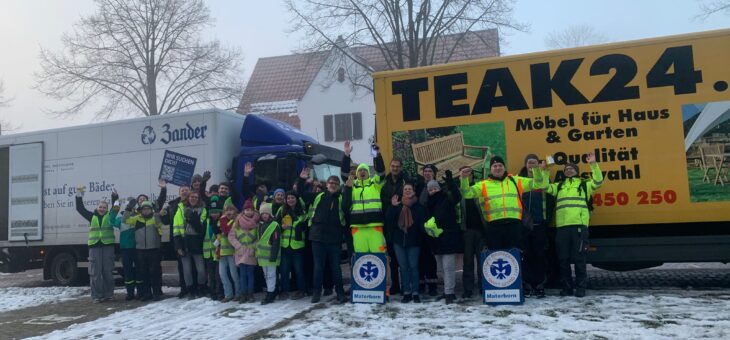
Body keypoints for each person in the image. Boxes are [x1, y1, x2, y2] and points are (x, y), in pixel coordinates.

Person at [541, 152, 603, 298]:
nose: (569, 170)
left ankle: (581, 288)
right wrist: (545, 170)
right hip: (562, 228)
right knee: (563, 260)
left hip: (579, 227)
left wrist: (593, 164)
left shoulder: (584, 184)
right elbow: (544, 187)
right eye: (566, 169)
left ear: (577, 171)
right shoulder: (559, 186)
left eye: (571, 168)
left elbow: (599, 181)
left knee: (579, 259)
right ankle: (567, 287)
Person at [459, 156, 546, 251]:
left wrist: (536, 169)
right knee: (497, 255)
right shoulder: (483, 184)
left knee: (515, 255)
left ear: (504, 167)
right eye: (494, 166)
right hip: (494, 226)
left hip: (514, 225)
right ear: (490, 169)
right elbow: (466, 194)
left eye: (500, 165)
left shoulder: (516, 180)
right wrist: (464, 179)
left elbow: (539, 184)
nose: (498, 168)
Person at [297, 169, 349, 304]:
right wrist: (301, 180)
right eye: (330, 182)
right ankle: (316, 293)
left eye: (335, 183)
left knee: (335, 267)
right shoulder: (318, 196)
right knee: (318, 267)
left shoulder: (342, 198)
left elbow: (347, 209)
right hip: (317, 237)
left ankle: (340, 293)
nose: (332, 185)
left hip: (334, 238)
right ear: (326, 185)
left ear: (339, 186)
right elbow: (301, 194)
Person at [424, 173, 463, 304]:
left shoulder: (447, 198)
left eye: (435, 188)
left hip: (449, 238)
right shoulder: (428, 204)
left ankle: (450, 293)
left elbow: (457, 196)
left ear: (439, 189)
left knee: (448, 267)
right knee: (441, 268)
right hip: (436, 240)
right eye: (430, 189)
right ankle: (446, 291)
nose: (433, 191)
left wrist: (451, 183)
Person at [75, 185, 118, 303]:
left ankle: (109, 294)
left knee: (108, 272)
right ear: (97, 207)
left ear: (107, 208)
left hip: (108, 247)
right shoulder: (91, 216)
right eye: (100, 207)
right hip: (94, 248)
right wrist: (79, 195)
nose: (102, 209)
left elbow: (115, 207)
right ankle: (97, 296)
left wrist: (114, 196)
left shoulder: (110, 216)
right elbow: (80, 208)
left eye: (104, 207)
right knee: (95, 273)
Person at [385, 183, 426, 303]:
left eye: (410, 189)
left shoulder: (418, 206)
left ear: (414, 191)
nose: (407, 191)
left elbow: (422, 224)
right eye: (405, 189)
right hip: (399, 241)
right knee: (403, 268)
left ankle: (415, 292)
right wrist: (392, 207)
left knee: (413, 267)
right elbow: (389, 220)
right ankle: (406, 291)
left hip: (414, 242)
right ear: (402, 191)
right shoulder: (397, 205)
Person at [519, 154, 550, 298]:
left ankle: (539, 284)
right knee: (525, 255)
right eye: (529, 162)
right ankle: (526, 284)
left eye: (534, 163)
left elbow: (550, 200)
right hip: (523, 225)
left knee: (539, 255)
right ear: (525, 165)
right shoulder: (518, 180)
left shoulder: (543, 178)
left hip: (539, 224)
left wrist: (547, 219)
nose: (531, 165)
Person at [124, 200, 165, 301]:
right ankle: (147, 293)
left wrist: (156, 212)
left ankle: (156, 293)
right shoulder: (137, 219)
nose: (146, 211)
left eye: (148, 209)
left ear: (151, 209)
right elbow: (125, 220)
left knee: (154, 272)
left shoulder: (154, 218)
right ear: (141, 210)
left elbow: (159, 224)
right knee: (144, 272)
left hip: (153, 249)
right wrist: (128, 209)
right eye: (144, 209)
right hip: (140, 250)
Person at [380, 158, 409, 296]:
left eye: (397, 166)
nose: (395, 168)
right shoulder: (384, 183)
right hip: (389, 225)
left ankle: (406, 286)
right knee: (392, 258)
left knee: (404, 259)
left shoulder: (406, 181)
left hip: (403, 224)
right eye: (393, 166)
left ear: (401, 168)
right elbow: (382, 201)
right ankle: (395, 285)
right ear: (390, 167)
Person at [173, 191, 208, 299]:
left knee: (201, 270)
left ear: (199, 199)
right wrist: (178, 246)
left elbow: (201, 230)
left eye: (196, 197)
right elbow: (176, 230)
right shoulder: (180, 210)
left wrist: (192, 218)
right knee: (187, 271)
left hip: (197, 243)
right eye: (191, 197)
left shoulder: (203, 210)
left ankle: (201, 288)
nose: (193, 199)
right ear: (188, 198)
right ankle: (191, 291)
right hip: (184, 243)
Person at [458, 165, 486, 299]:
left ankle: (483, 286)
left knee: (482, 260)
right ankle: (468, 289)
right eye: (463, 174)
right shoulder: (459, 191)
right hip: (466, 230)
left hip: (481, 230)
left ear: (472, 175)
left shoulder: (479, 188)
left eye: (468, 173)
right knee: (467, 261)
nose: (466, 175)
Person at [276, 191, 307, 300]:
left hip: (298, 245)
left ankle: (301, 290)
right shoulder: (281, 210)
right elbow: (276, 224)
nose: (290, 200)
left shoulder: (303, 211)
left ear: (297, 199)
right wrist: (281, 227)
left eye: (292, 197)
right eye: (288, 198)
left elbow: (305, 225)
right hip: (285, 245)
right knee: (284, 270)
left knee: (298, 270)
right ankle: (284, 290)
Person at [162, 184, 191, 298]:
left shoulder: (195, 202)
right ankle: (184, 289)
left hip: (192, 239)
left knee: (193, 266)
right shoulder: (173, 205)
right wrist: (162, 215)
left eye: (186, 190)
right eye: (182, 190)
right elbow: (166, 221)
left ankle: (195, 289)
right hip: (178, 239)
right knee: (182, 266)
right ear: (179, 193)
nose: (184, 192)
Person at [415, 164, 439, 296]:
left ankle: (432, 285)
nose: (427, 173)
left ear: (434, 173)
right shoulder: (418, 186)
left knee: (430, 257)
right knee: (420, 256)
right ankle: (421, 283)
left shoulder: (437, 186)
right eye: (425, 171)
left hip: (432, 225)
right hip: (419, 226)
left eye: (430, 171)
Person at [230, 199, 259, 303]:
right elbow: (231, 236)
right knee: (242, 274)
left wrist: (253, 247)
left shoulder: (256, 224)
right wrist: (238, 246)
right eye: (247, 210)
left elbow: (259, 238)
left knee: (250, 274)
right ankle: (243, 294)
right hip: (241, 253)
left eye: (251, 209)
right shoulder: (237, 223)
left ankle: (250, 294)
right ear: (243, 211)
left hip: (251, 253)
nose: (249, 211)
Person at [257, 203, 281, 305]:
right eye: (263, 213)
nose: (264, 215)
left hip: (271, 256)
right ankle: (270, 291)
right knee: (266, 275)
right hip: (262, 256)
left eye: (266, 213)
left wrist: (273, 256)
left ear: (270, 214)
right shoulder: (261, 225)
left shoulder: (274, 225)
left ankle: (270, 294)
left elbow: (276, 242)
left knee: (271, 275)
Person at [217, 199, 240, 302]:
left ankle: (238, 293)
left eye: (231, 209)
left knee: (234, 274)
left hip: (232, 252)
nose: (229, 212)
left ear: (235, 211)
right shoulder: (221, 221)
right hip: (222, 252)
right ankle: (228, 294)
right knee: (222, 274)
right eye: (227, 210)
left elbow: (227, 232)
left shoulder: (237, 221)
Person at [202, 196, 223, 300]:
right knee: (210, 274)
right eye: (212, 212)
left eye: (216, 212)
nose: (214, 214)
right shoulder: (206, 222)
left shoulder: (221, 222)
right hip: (208, 253)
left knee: (218, 274)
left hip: (218, 253)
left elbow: (222, 236)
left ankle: (219, 292)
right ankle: (212, 292)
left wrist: (216, 243)